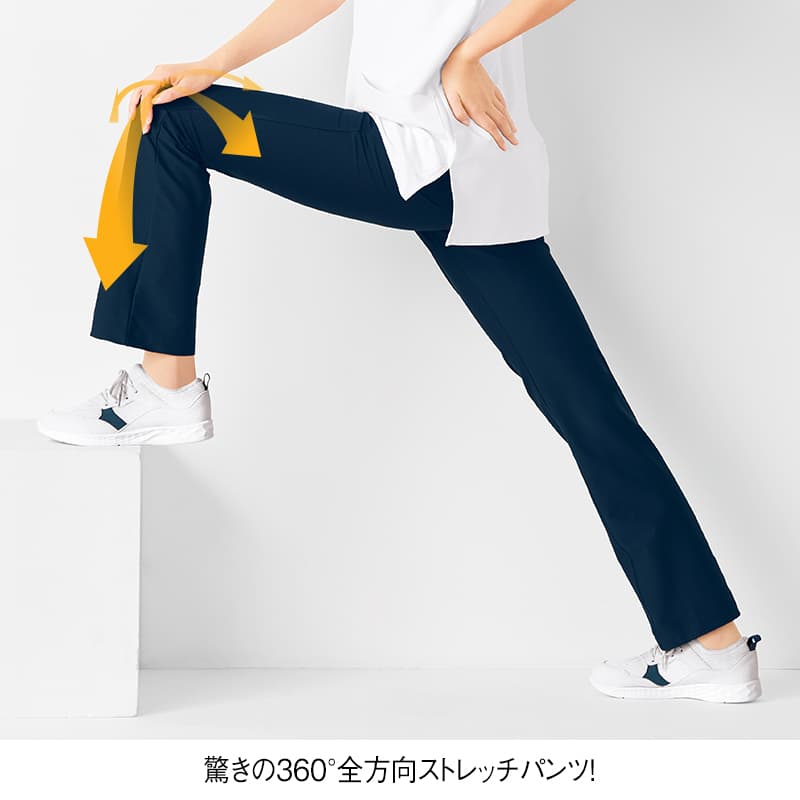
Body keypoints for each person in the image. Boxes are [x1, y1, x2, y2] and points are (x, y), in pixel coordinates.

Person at [37, 0, 763, 702]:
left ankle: (167, 385)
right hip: (478, 174)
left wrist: (468, 53)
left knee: (170, 121)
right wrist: (216, 61)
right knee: (592, 414)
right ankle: (714, 646)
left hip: (414, 149)